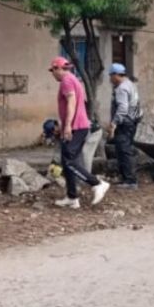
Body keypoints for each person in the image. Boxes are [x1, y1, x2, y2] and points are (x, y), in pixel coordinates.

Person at [49, 56, 110, 209]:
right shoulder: (73, 79)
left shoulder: (66, 81)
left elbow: (72, 102)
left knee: (69, 161)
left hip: (76, 126)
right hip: (78, 126)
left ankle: (97, 184)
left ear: (58, 68)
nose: (52, 74)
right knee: (66, 161)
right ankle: (71, 197)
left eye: (52, 70)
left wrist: (68, 125)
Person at [107, 63, 141, 189]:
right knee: (124, 150)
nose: (110, 79)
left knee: (124, 150)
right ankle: (125, 178)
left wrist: (114, 123)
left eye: (111, 76)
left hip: (125, 123)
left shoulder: (121, 88)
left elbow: (122, 108)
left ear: (116, 75)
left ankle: (130, 181)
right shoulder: (130, 84)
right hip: (132, 121)